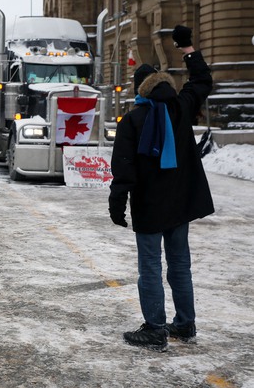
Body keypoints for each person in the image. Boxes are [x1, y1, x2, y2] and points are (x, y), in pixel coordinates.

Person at [108, 25, 214, 352]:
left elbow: (124, 169)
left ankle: (155, 329)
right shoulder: (182, 107)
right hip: (180, 204)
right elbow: (202, 81)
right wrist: (187, 48)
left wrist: (117, 204)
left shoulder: (133, 120)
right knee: (180, 264)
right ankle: (185, 323)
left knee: (150, 267)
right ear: (166, 84)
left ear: (141, 90)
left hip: (150, 207)